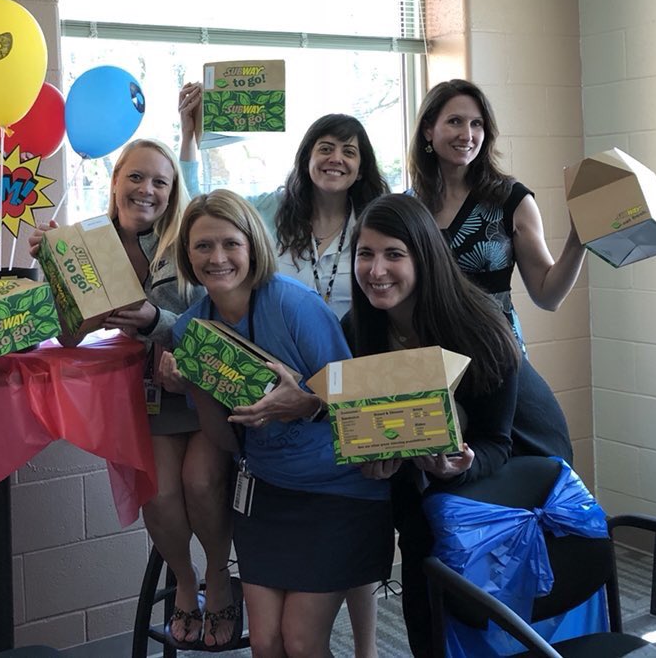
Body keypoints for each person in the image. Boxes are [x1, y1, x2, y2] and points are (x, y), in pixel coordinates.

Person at [179, 85, 391, 649]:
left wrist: (310, 402)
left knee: (300, 640)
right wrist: (199, 381)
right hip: (268, 483)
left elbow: (354, 399)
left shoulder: (302, 296)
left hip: (341, 449)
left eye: (350, 151)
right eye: (203, 249)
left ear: (252, 247)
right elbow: (207, 204)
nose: (217, 257)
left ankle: (369, 646)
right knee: (269, 643)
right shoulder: (195, 326)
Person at [345, 193, 574, 657]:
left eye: (394, 254)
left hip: (517, 473)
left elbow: (496, 441)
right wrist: (377, 463)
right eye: (365, 254)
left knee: (490, 623)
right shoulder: (359, 328)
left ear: (424, 257)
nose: (376, 270)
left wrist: (462, 466)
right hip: (434, 479)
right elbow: (382, 428)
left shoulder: (478, 326)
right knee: (425, 597)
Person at [28, 139, 233, 648]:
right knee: (160, 495)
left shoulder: (189, 241)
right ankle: (186, 580)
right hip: (150, 398)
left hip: (204, 389)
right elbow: (69, 334)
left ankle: (220, 578)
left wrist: (155, 321)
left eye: (160, 182)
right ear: (115, 180)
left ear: (172, 191)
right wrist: (54, 269)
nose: (146, 190)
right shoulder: (86, 243)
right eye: (136, 177)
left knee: (201, 483)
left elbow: (219, 311)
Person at [178, 81, 390, 321]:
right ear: (306, 159)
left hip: (356, 352)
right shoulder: (272, 208)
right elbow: (200, 209)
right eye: (326, 149)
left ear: (361, 169)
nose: (336, 159)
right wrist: (188, 136)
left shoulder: (374, 224)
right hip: (280, 351)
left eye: (349, 152)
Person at [408, 78, 586, 351]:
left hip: (496, 355)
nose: (467, 134)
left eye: (476, 123)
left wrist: (578, 238)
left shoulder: (512, 200)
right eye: (455, 121)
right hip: (427, 357)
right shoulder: (408, 206)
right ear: (428, 130)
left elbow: (548, 297)